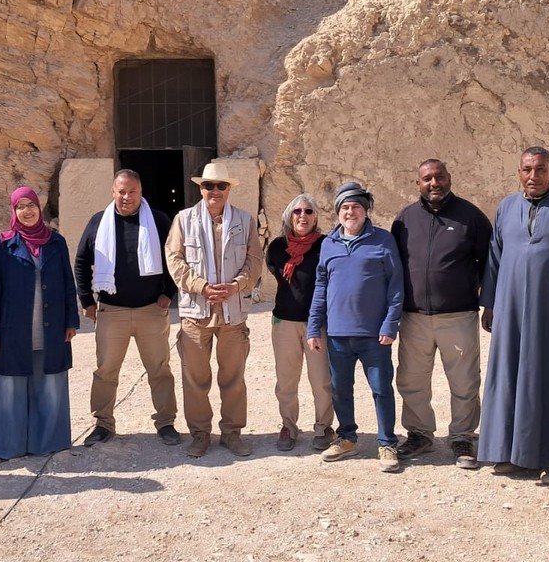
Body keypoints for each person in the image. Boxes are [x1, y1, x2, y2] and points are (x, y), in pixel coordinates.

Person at [478, 146, 549, 484]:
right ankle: (513, 454)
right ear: (519, 172)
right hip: (511, 310)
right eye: (527, 169)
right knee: (510, 377)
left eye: (540, 169)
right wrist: (490, 303)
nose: (533, 176)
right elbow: (495, 257)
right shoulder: (506, 207)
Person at [390, 159, 491, 469]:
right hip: (414, 316)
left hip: (458, 315)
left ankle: (462, 437)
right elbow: (394, 264)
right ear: (418, 183)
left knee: (464, 381)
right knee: (412, 379)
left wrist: (488, 303)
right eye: (427, 178)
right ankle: (419, 434)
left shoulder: (470, 217)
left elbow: (490, 263)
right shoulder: (405, 219)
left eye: (439, 177)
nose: (434, 183)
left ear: (449, 178)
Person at [74, 169, 181, 447]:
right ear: (113, 192)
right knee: (106, 371)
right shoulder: (99, 222)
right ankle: (103, 424)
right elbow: (82, 261)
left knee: (159, 369)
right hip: (112, 311)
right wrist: (86, 300)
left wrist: (169, 294)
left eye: (132, 191)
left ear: (141, 192)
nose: (126, 197)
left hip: (151, 310)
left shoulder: (158, 220)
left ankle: (166, 422)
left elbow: (175, 257)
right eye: (121, 191)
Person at [166, 162, 263, 458]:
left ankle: (232, 433)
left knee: (233, 377)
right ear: (201, 188)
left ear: (229, 189)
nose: (215, 191)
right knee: (195, 378)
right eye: (209, 186)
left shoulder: (244, 220)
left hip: (233, 312)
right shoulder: (184, 220)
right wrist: (202, 287)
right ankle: (200, 434)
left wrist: (237, 285)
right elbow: (174, 260)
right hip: (196, 312)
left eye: (221, 186)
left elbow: (255, 259)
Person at [308, 182, 405, 473]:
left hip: (374, 335)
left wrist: (390, 324)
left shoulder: (383, 240)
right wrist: (313, 328)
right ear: (338, 211)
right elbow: (320, 287)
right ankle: (347, 438)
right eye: (345, 207)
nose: (350, 212)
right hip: (338, 334)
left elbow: (396, 286)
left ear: (366, 210)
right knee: (340, 390)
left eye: (356, 207)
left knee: (381, 389)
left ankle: (387, 443)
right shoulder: (329, 243)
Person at [0, 187, 79, 467]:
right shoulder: (2, 245)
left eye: (31, 205)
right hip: (12, 330)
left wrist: (71, 321)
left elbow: (67, 282)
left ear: (39, 207)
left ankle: (48, 443)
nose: (27, 211)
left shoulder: (56, 242)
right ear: (14, 211)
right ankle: (3, 446)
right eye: (20, 206)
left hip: (51, 327)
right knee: (8, 389)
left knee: (50, 385)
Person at [266, 194, 334, 452]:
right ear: (289, 216)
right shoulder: (277, 247)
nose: (302, 216)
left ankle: (323, 427)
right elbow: (274, 270)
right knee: (286, 379)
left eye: (308, 211)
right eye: (297, 211)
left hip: (318, 324)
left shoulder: (326, 245)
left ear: (315, 217)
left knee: (321, 379)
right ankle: (288, 426)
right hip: (284, 322)